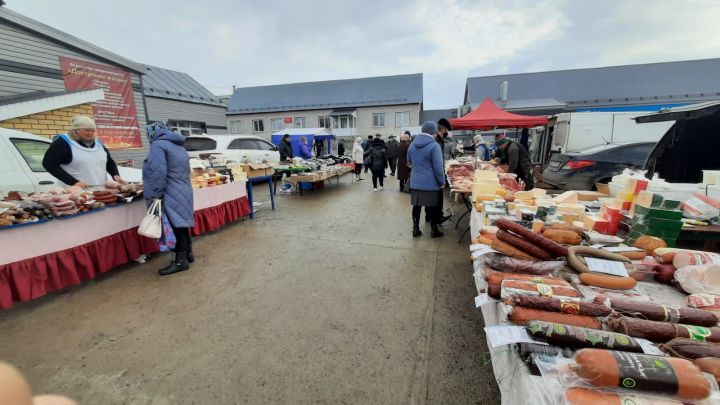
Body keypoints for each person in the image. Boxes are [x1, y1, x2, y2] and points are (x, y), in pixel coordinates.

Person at [143, 122, 195, 276]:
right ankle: (188, 254)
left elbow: (157, 172)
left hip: (169, 190)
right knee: (181, 224)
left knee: (175, 226)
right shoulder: (178, 146)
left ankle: (180, 261)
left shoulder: (158, 146)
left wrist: (156, 194)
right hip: (183, 189)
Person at [42, 115, 126, 188]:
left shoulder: (99, 144)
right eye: (87, 130)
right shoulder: (63, 142)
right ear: (76, 129)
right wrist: (73, 182)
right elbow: (49, 164)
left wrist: (115, 175)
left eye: (92, 130)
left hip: (100, 191)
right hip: (75, 195)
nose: (90, 133)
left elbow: (109, 162)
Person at [407, 121, 446, 238]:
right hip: (431, 182)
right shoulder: (434, 146)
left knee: (416, 206)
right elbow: (438, 166)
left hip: (415, 181)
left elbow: (409, 162)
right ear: (434, 131)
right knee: (433, 207)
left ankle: (415, 229)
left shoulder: (412, 145)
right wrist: (442, 181)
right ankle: (434, 230)